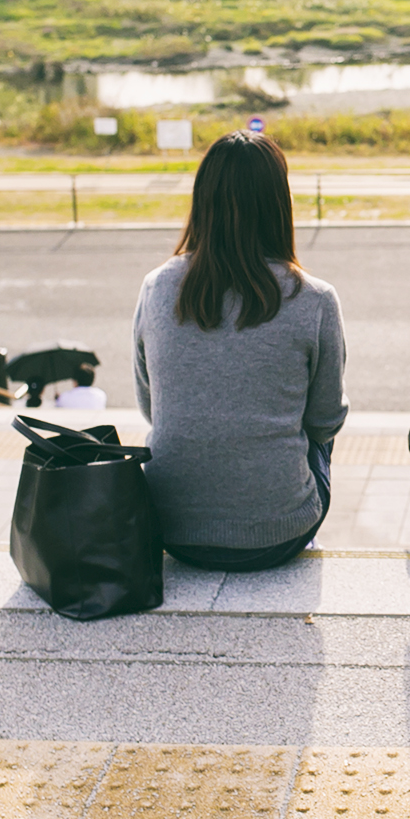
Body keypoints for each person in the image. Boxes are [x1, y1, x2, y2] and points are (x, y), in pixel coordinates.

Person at [134, 130, 346, 572]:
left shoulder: (157, 287)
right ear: (278, 205)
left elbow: (151, 406)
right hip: (279, 534)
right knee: (313, 438)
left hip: (171, 529)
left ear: (202, 201)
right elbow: (326, 420)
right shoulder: (314, 298)